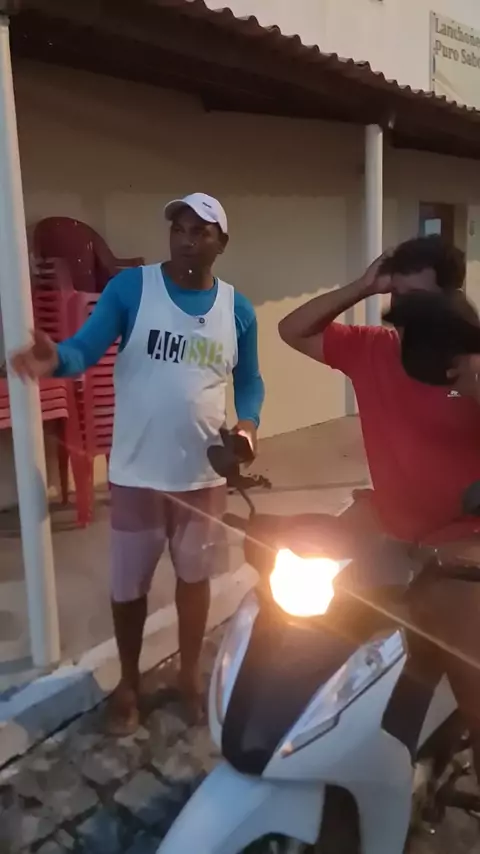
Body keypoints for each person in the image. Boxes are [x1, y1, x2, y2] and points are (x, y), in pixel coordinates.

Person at [12, 193, 265, 734]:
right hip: (136, 477)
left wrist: (248, 424)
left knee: (194, 581)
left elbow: (249, 380)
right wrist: (56, 359)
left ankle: (189, 676)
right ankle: (129, 682)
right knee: (129, 589)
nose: (186, 239)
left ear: (222, 243)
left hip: (202, 477)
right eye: (179, 228)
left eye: (200, 231)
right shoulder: (132, 289)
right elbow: (84, 349)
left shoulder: (237, 310)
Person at [279, 234, 480, 781]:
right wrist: (364, 286)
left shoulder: (470, 364)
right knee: (313, 634)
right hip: (387, 528)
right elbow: (292, 330)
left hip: (461, 546)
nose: (405, 315)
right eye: (398, 299)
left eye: (419, 301)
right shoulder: (373, 349)